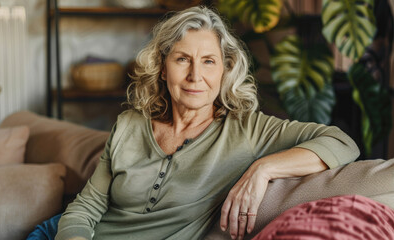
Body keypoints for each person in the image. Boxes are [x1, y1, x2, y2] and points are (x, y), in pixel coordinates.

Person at [54, 6, 359, 240]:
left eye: (208, 61)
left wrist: (263, 168)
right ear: (162, 68)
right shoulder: (129, 124)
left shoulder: (247, 130)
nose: (195, 76)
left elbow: (342, 142)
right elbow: (85, 208)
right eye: (182, 59)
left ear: (225, 70)